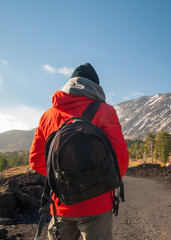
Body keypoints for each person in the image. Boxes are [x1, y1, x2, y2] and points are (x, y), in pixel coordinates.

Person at [29, 63, 129, 240]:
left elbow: (35, 159)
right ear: (96, 87)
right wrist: (102, 183)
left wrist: (64, 181)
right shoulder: (106, 111)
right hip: (98, 204)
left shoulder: (48, 116)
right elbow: (120, 157)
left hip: (61, 203)